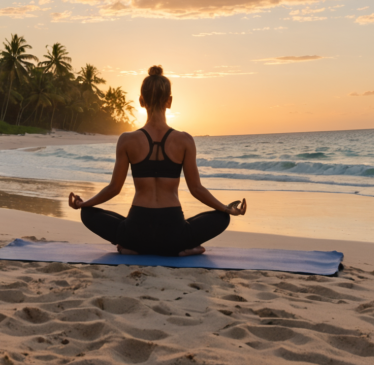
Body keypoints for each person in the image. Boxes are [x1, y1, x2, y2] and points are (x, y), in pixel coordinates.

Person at [69, 65, 246, 256]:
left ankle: (132, 247)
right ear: (169, 102)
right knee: (222, 218)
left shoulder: (127, 140)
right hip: (174, 233)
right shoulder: (185, 140)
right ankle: (182, 249)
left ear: (141, 101)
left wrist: (84, 204)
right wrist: (226, 209)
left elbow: (114, 188)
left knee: (88, 214)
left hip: (136, 231)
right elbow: (197, 189)